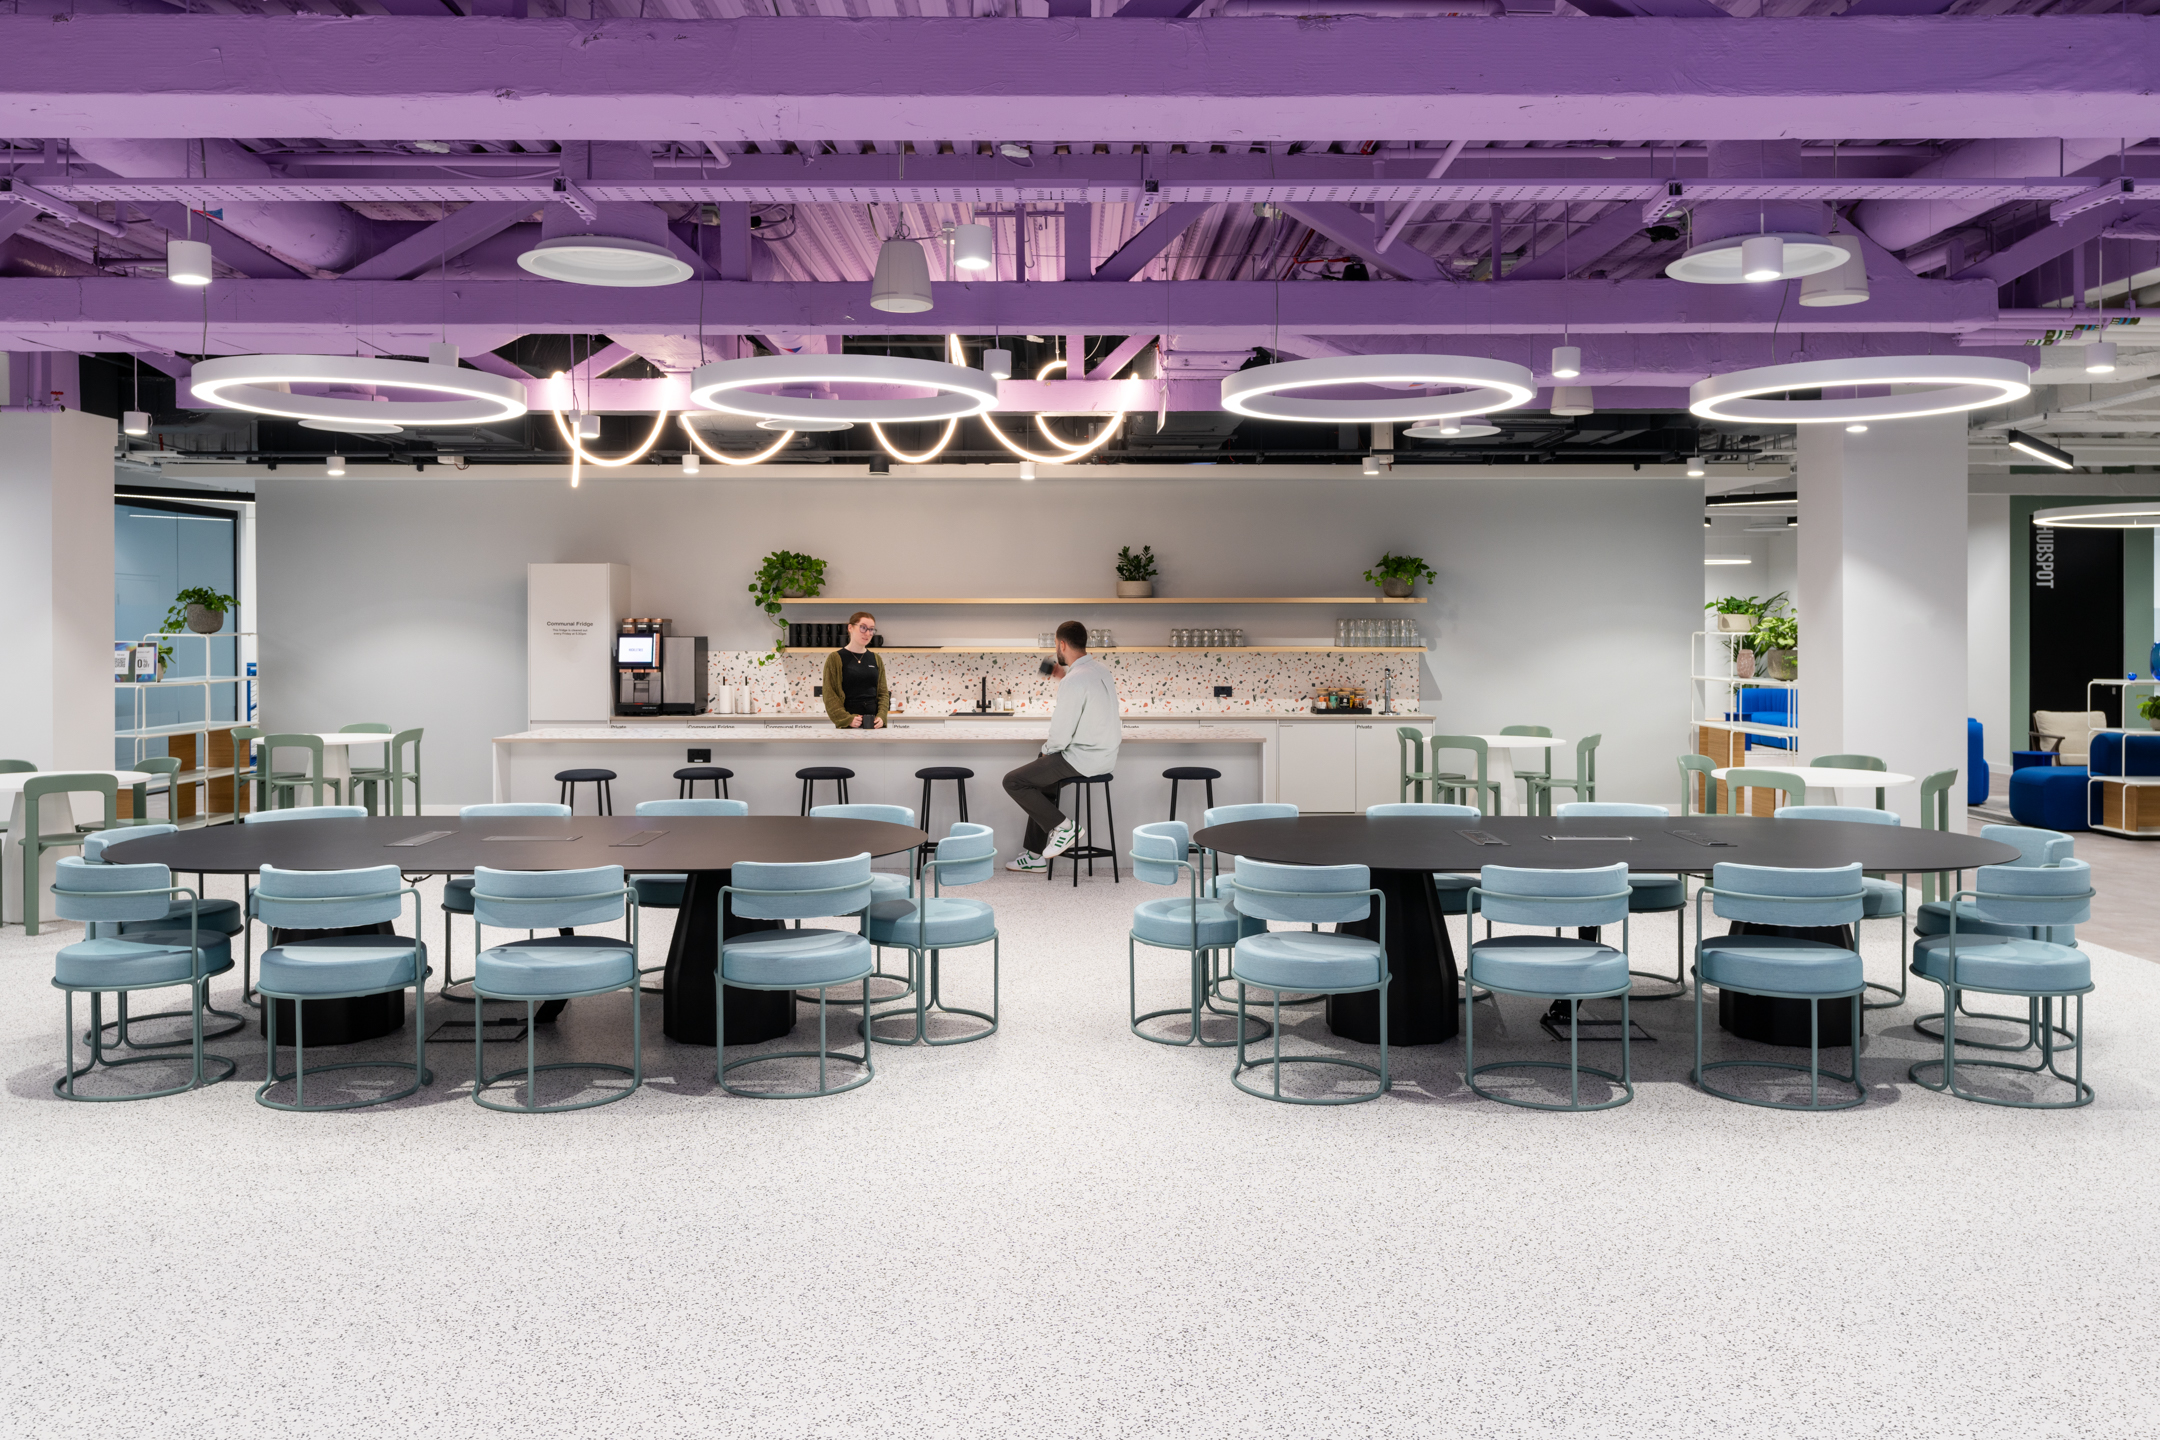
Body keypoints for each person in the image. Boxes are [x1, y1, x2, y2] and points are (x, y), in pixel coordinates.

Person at [1002, 620, 1120, 872]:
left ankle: (1064, 827)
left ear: (1062, 644)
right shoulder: (1100, 671)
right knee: (1041, 779)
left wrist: (1046, 750)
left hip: (1082, 758)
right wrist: (1060, 675)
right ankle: (1034, 857)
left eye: (1057, 645)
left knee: (1014, 781)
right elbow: (1084, 692)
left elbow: (1060, 735)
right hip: (1104, 757)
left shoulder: (1075, 680)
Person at [822, 610, 888, 729]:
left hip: (874, 725)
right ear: (850, 628)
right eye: (863, 628)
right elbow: (829, 695)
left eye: (871, 629)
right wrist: (847, 719)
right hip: (849, 725)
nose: (867, 633)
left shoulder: (876, 659)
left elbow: (883, 693)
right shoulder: (835, 658)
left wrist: (882, 716)